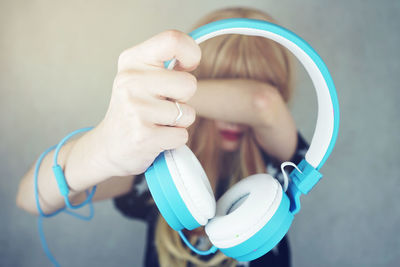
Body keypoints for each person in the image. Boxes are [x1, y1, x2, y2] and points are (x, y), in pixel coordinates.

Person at [16, 7, 308, 267]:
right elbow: (30, 198)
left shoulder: (283, 164)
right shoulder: (161, 164)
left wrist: (160, 94)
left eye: (235, 92)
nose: (232, 117)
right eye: (221, 80)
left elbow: (262, 104)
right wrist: (102, 146)